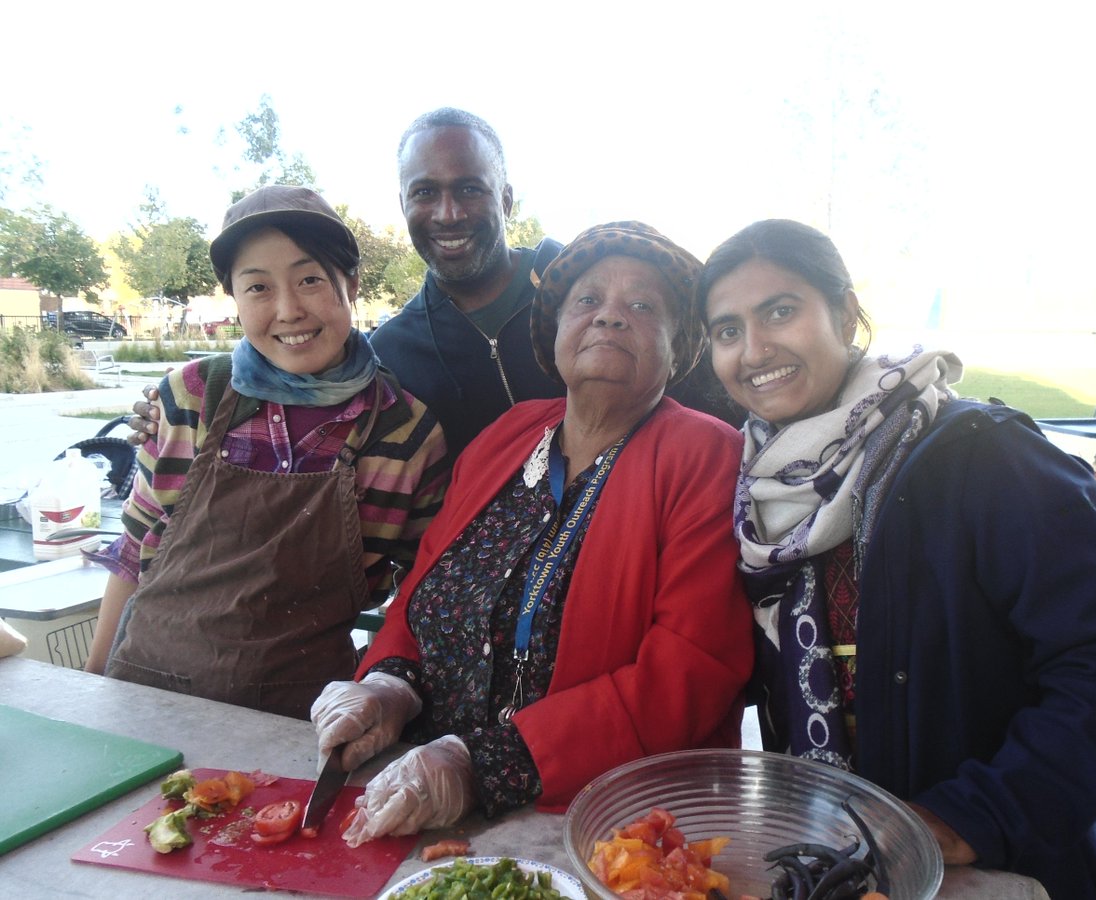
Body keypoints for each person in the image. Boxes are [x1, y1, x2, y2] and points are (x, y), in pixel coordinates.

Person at [696, 218, 1096, 900]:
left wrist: (969, 816)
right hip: (833, 868)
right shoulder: (755, 493)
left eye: (780, 311)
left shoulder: (984, 458)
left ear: (845, 313)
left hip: (995, 870)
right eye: (726, 330)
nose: (754, 349)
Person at [310, 221, 753, 845]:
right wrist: (389, 685)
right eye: (588, 301)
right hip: (414, 798)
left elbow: (691, 671)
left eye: (642, 306)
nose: (610, 318)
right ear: (555, 334)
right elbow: (423, 592)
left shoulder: (706, 454)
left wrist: (481, 765)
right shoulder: (508, 436)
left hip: (600, 827)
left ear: (680, 350)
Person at [126, 108, 739, 459]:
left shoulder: (587, 286)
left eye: (469, 188)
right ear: (402, 202)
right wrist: (181, 409)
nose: (448, 213)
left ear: (506, 196)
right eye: (426, 192)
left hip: (647, 554)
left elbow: (724, 381)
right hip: (488, 603)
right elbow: (292, 381)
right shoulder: (392, 353)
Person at [84, 185, 450, 720]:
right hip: (146, 697)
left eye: (310, 280)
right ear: (233, 298)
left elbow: (422, 597)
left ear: (350, 283)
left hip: (301, 720)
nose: (288, 310)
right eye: (257, 287)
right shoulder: (188, 398)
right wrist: (94, 685)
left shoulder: (407, 433)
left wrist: (382, 700)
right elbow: (136, 546)